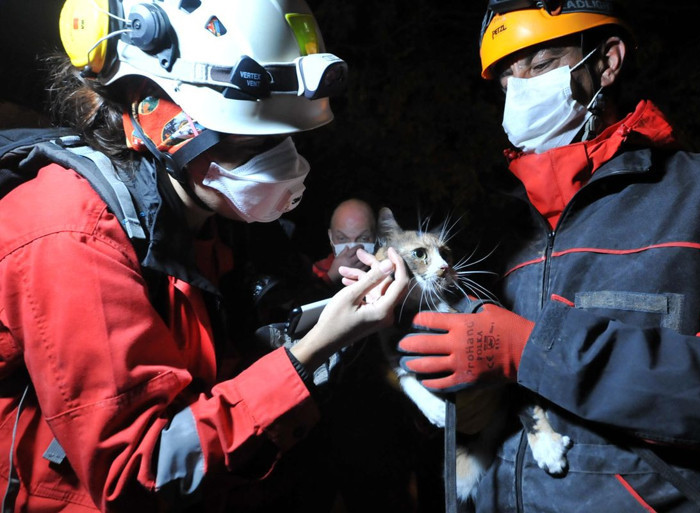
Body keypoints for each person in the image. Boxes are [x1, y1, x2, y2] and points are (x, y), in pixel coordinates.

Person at [397, 1, 700, 511]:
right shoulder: (499, 230)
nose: (521, 89)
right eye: (508, 80)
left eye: (539, 64)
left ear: (607, 60)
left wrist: (535, 352)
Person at [0, 0, 409, 511]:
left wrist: (322, 323)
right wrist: (307, 356)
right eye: (250, 139)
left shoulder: (201, 219)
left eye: (285, 136)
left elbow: (221, 376)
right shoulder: (72, 234)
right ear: (155, 111)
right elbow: (136, 476)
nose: (285, 164)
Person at [313, 197, 377, 289]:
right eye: (342, 238)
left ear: (375, 236)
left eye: (363, 238)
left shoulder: (386, 267)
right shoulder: (317, 271)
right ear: (331, 237)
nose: (352, 249)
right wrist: (332, 277)